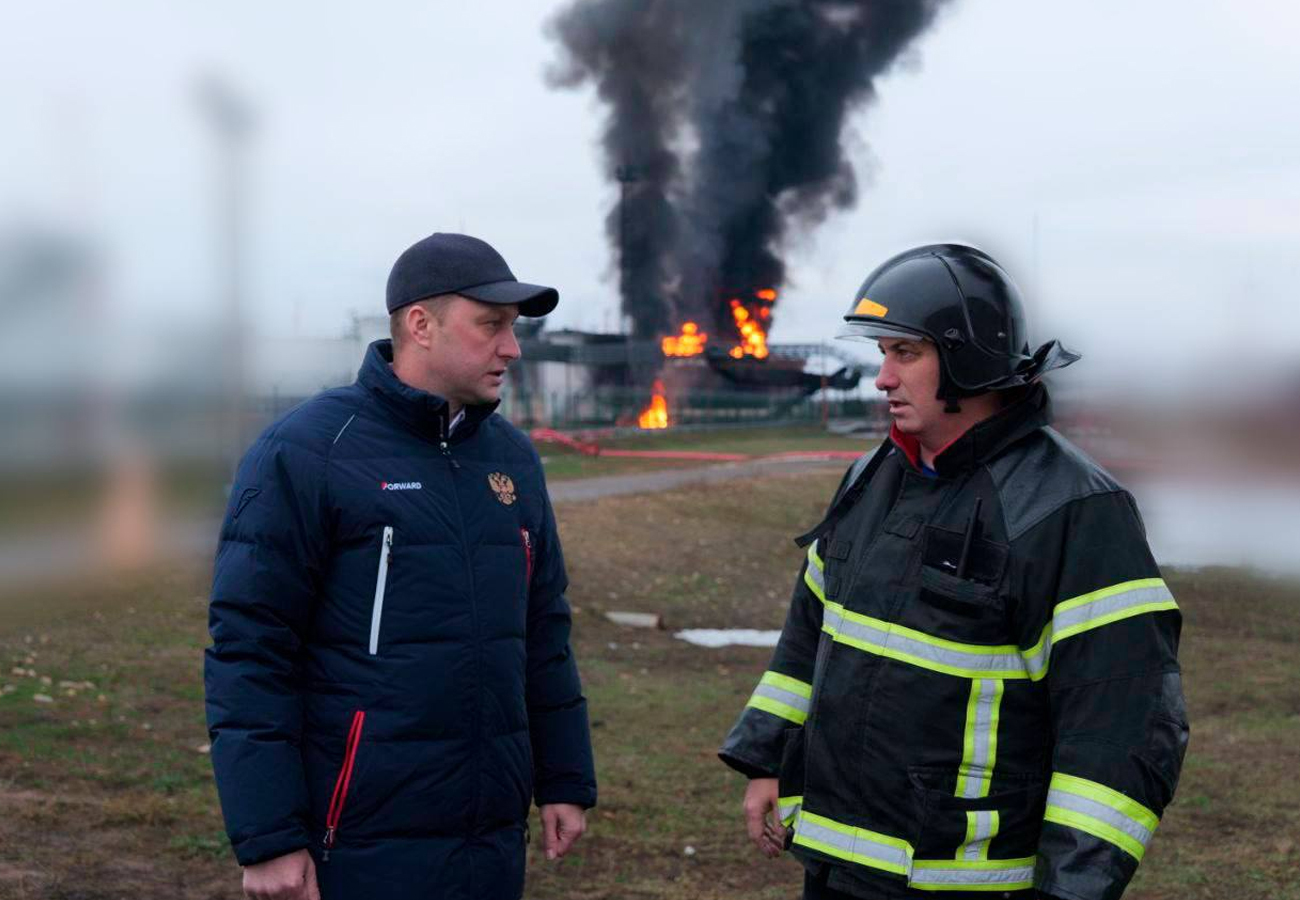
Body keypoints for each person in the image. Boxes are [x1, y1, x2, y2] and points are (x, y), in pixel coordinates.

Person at [720, 244, 1188, 900]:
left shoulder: (1074, 510)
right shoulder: (873, 476)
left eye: (904, 354)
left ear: (967, 359)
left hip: (963, 882)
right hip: (833, 868)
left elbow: (1121, 725)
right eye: (883, 354)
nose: (883, 378)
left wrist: (1072, 889)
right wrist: (767, 755)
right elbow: (812, 629)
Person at [205, 233, 596, 900]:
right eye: (492, 325)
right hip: (358, 843)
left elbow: (542, 631)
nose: (513, 347)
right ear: (421, 324)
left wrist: (562, 777)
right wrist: (269, 835)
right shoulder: (306, 452)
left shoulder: (512, 459)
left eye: (514, 328)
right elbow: (251, 650)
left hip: (490, 842)